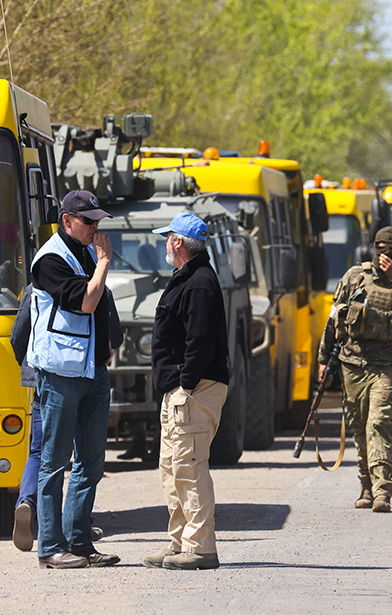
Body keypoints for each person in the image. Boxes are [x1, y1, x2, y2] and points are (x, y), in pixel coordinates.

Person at [27, 190, 119, 569]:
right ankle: (50, 546)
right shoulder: (51, 259)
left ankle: (80, 542)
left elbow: (103, 304)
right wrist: (104, 262)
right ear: (67, 220)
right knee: (54, 460)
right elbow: (85, 301)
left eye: (98, 221)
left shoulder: (84, 252)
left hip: (94, 372)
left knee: (92, 461)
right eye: (88, 221)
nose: (95, 228)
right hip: (63, 374)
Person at [317, 226, 392, 513]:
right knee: (359, 426)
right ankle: (365, 485)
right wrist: (322, 359)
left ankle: (382, 490)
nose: (386, 255)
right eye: (381, 248)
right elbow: (334, 318)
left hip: (385, 365)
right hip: (352, 364)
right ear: (373, 248)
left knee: (379, 422)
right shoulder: (355, 277)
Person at [142, 213, 229, 571]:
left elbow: (200, 341)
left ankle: (201, 546)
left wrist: (186, 384)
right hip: (179, 390)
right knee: (172, 467)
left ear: (178, 242)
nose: (164, 242)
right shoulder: (188, 279)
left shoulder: (199, 283)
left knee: (190, 467)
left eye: (167, 237)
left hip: (193, 390)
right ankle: (179, 542)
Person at [8, 283, 120, 552]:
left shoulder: (36, 287)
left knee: (41, 451)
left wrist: (33, 368)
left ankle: (26, 502)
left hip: (42, 379)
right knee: (84, 456)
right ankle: (77, 524)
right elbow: (114, 336)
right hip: (85, 377)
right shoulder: (99, 288)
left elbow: (18, 337)